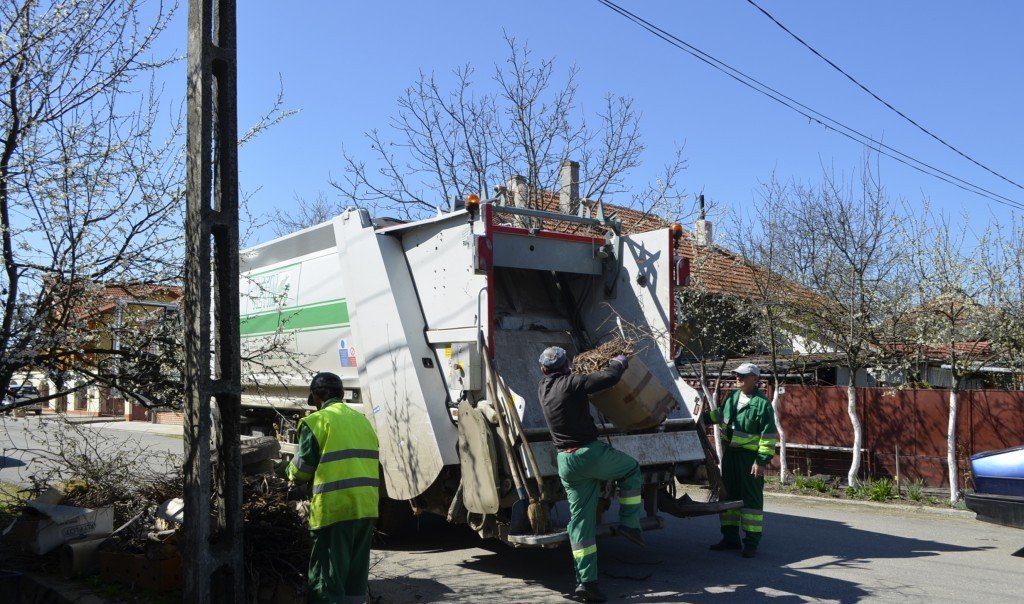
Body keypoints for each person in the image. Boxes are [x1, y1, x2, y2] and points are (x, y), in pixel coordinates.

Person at [536, 346, 644, 603]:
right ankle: (629, 524)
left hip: (566, 461)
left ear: (543, 370)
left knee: (581, 522)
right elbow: (608, 378)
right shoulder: (569, 382)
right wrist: (618, 363)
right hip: (587, 454)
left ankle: (586, 584)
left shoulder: (543, 387)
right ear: (565, 366)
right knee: (630, 469)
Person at [286, 372, 380, 604]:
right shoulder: (363, 421)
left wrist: (285, 472)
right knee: (354, 578)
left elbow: (301, 470)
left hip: (334, 510)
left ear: (318, 396)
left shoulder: (317, 422)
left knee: (326, 579)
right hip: (366, 508)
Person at [706, 362, 778, 558]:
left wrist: (761, 461)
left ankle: (751, 543)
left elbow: (768, 437)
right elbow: (720, 415)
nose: (739, 378)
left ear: (755, 379)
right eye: (737, 375)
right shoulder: (733, 397)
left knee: (751, 500)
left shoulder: (762, 405)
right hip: (730, 456)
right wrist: (702, 418)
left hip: (749, 460)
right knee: (728, 496)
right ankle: (730, 539)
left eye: (744, 376)